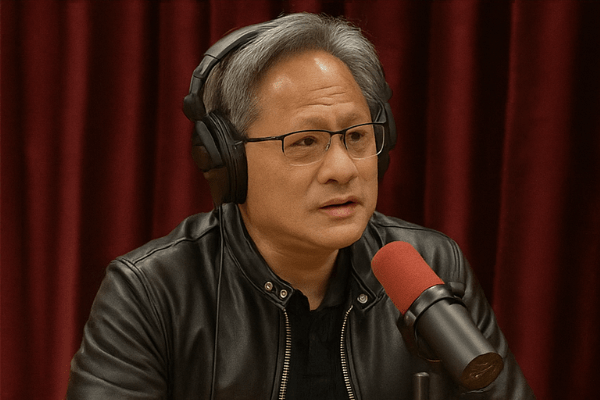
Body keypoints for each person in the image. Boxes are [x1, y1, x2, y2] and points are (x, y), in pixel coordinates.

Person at [66, 13, 535, 400]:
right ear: (228, 162)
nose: (343, 169)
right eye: (305, 141)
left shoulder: (429, 265)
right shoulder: (152, 293)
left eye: (356, 136)